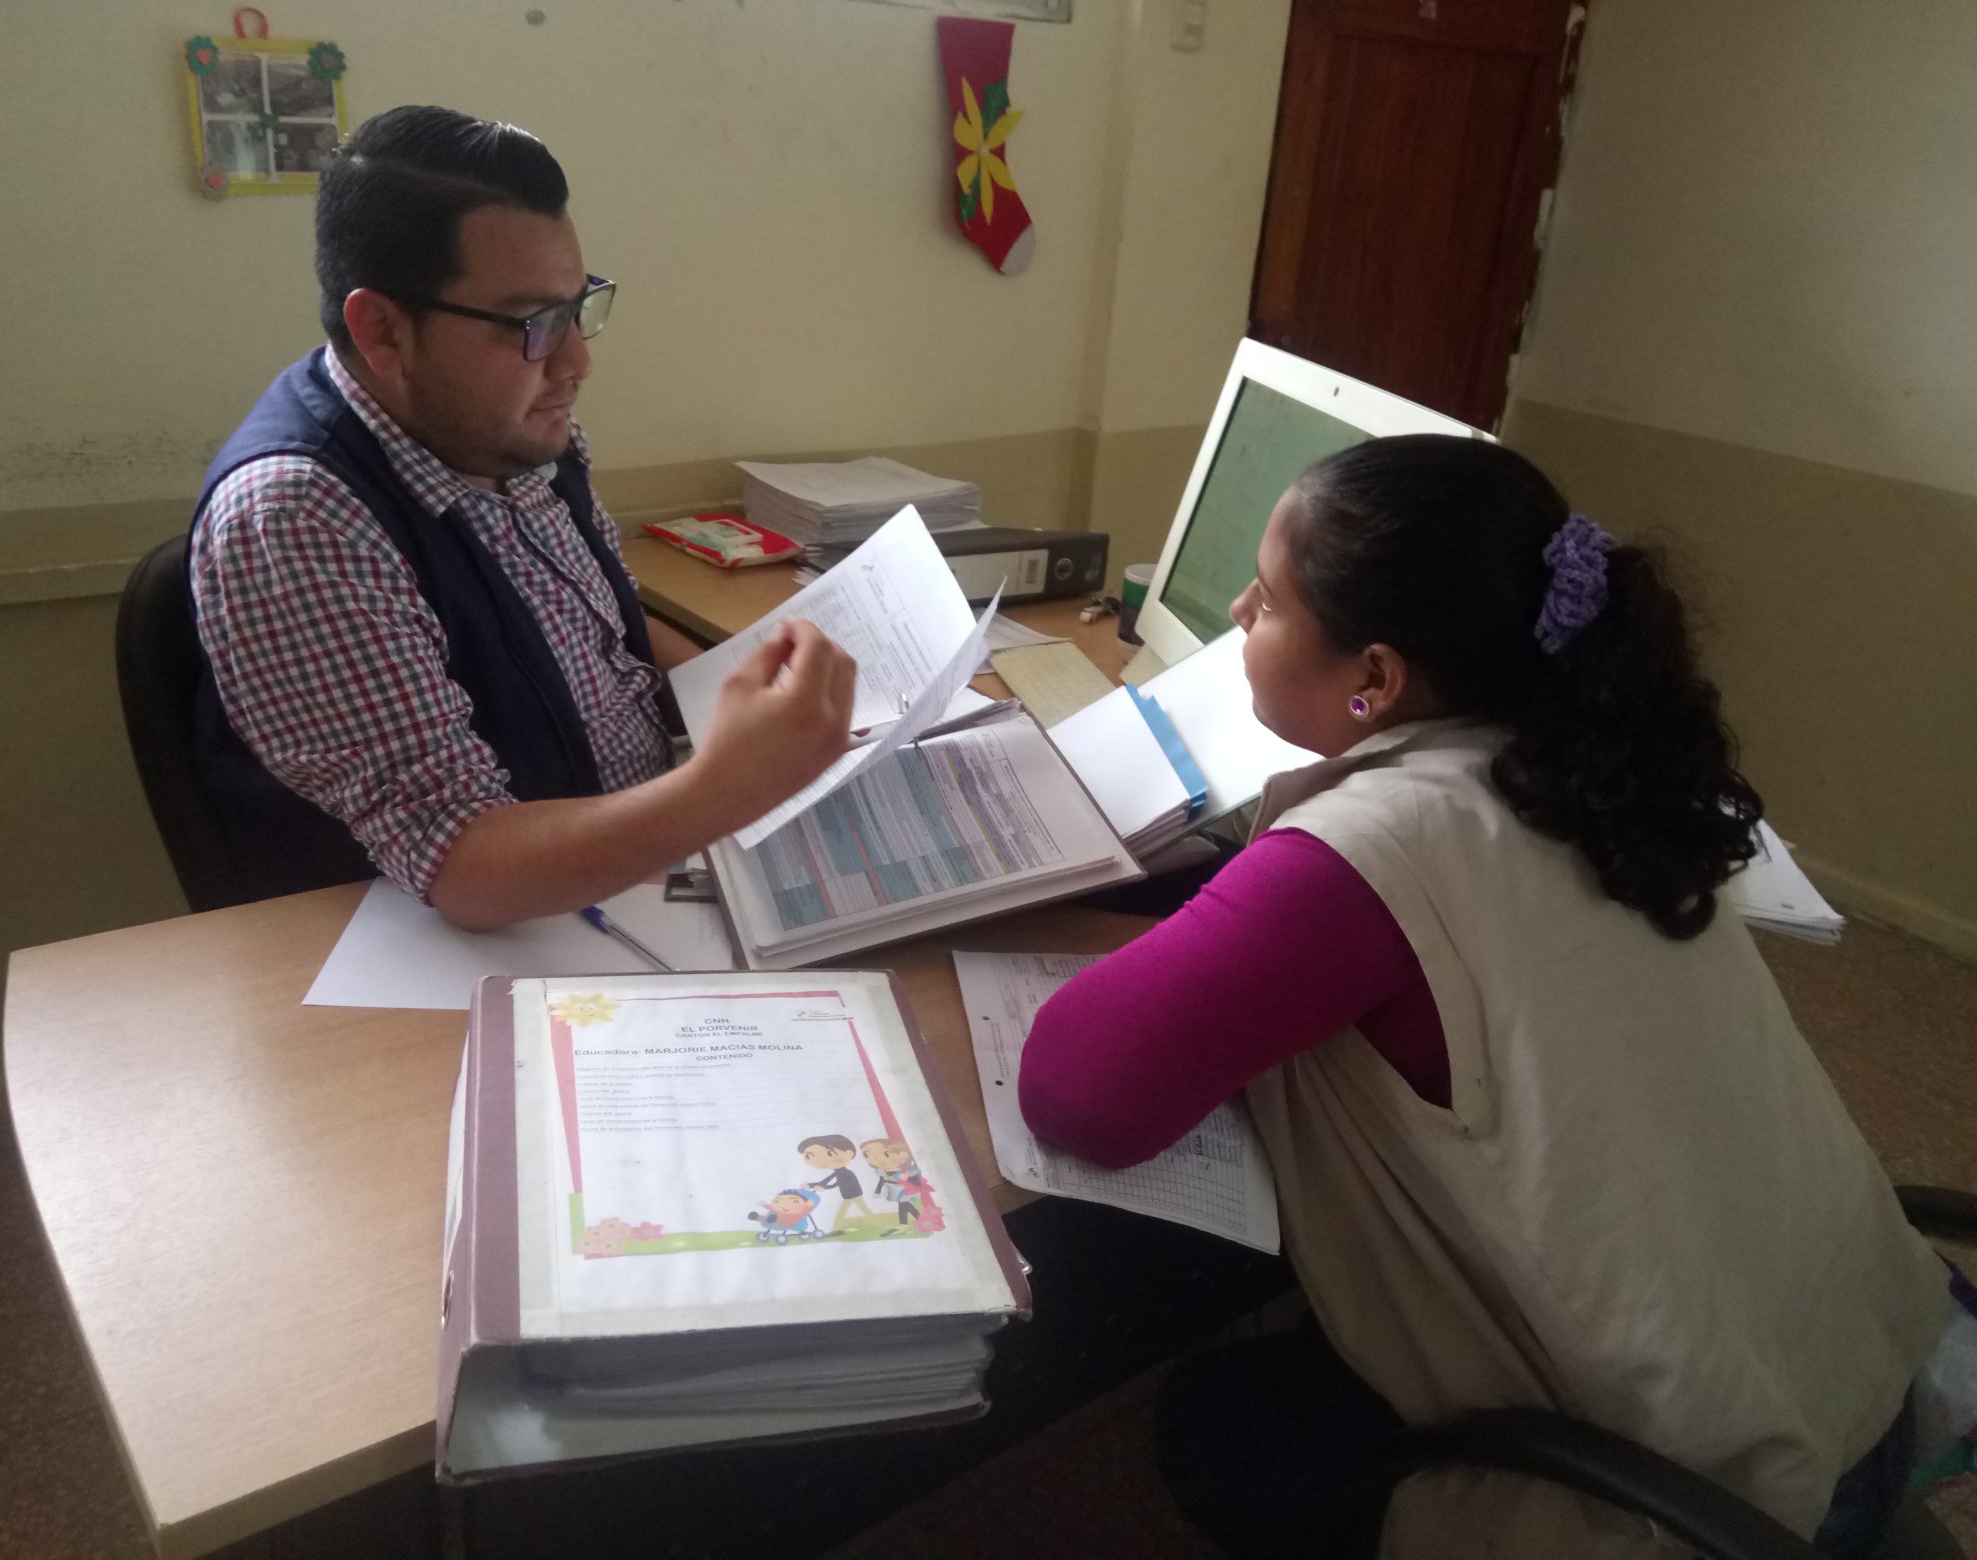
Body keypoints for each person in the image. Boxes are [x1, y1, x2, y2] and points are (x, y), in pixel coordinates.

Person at [1016, 435, 1950, 1558]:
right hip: (1865, 1384)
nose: (1240, 610)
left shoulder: (1377, 843)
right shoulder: (1587, 763)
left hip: (1699, 1503)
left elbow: (1077, 1092)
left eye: (1267, 599)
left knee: (1218, 1421)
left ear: (1374, 678)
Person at [190, 106, 852, 924]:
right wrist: (725, 787)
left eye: (579, 308)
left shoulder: (508, 427)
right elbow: (461, 863)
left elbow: (608, 631)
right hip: (483, 942)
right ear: (384, 331)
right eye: (533, 324)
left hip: (636, 868)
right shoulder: (297, 517)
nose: (576, 361)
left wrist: (750, 690)